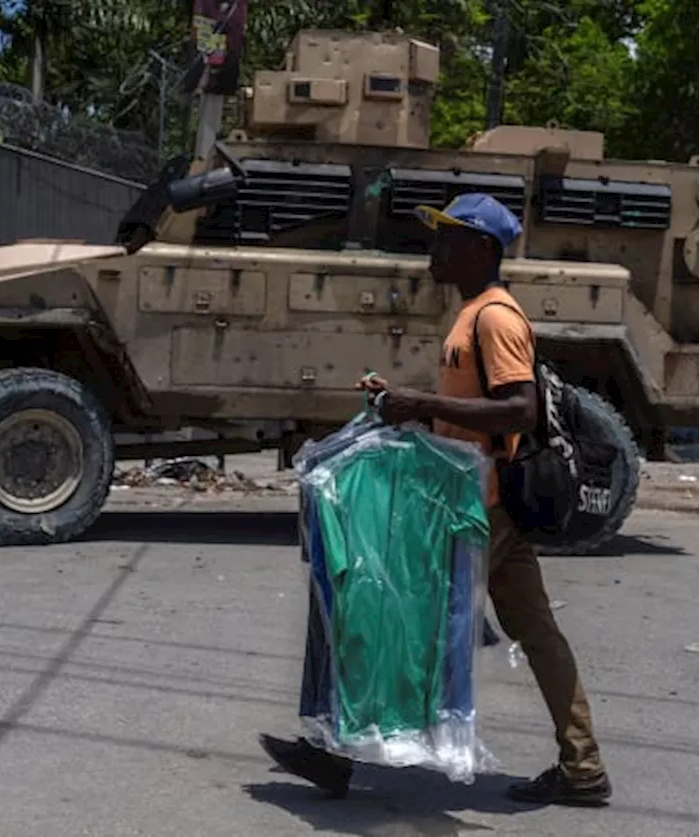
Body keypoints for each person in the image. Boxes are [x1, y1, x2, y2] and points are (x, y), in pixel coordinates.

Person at [258, 193, 612, 807]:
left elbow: (519, 408)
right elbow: (472, 412)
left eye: (447, 237)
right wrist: (404, 401)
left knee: (392, 611)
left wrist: (423, 405)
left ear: (480, 248)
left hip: (481, 507)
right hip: (481, 500)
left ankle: (338, 752)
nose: (435, 247)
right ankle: (583, 767)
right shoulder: (473, 313)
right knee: (536, 630)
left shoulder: (495, 318)